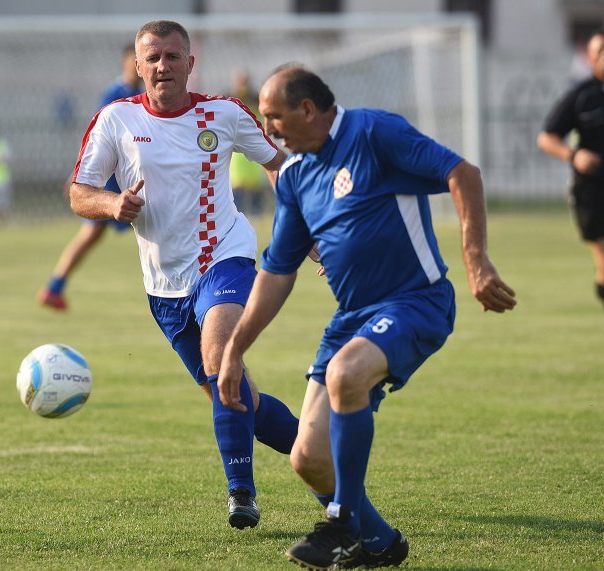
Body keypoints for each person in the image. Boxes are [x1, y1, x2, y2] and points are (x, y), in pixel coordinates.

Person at [217, 66, 517, 569]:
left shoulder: (374, 132)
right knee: (307, 458)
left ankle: (342, 526)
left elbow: (462, 173)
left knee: (346, 373)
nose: (269, 131)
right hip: (352, 318)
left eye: (274, 117)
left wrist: (476, 259)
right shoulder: (293, 176)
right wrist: (234, 349)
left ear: (308, 109)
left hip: (414, 302)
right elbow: (276, 272)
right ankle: (380, 545)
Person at [68, 20, 299, 529]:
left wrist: (308, 226)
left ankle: (241, 495)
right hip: (163, 287)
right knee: (235, 397)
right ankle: (318, 454)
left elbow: (278, 165)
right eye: (152, 58)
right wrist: (112, 203)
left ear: (190, 63)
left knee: (222, 359)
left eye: (173, 57)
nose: (162, 66)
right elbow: (79, 191)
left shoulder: (224, 113)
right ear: (137, 64)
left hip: (225, 257)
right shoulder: (115, 120)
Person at [39, 43, 144, 310]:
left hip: (121, 175)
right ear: (125, 62)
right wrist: (80, 175)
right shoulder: (117, 92)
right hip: (112, 177)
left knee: (93, 234)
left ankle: (55, 287)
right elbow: (96, 134)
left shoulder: (135, 92)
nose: (138, 65)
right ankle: (54, 286)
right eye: (135, 59)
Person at [537, 28, 604, 348]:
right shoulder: (582, 95)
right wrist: (575, 155)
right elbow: (546, 137)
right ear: (590, 57)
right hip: (593, 193)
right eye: (599, 51)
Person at [228, 70, 269, 217]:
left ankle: (258, 212)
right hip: (237, 151)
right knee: (238, 183)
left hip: (254, 144)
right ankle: (237, 212)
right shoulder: (232, 99)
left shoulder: (254, 99)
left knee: (255, 181)